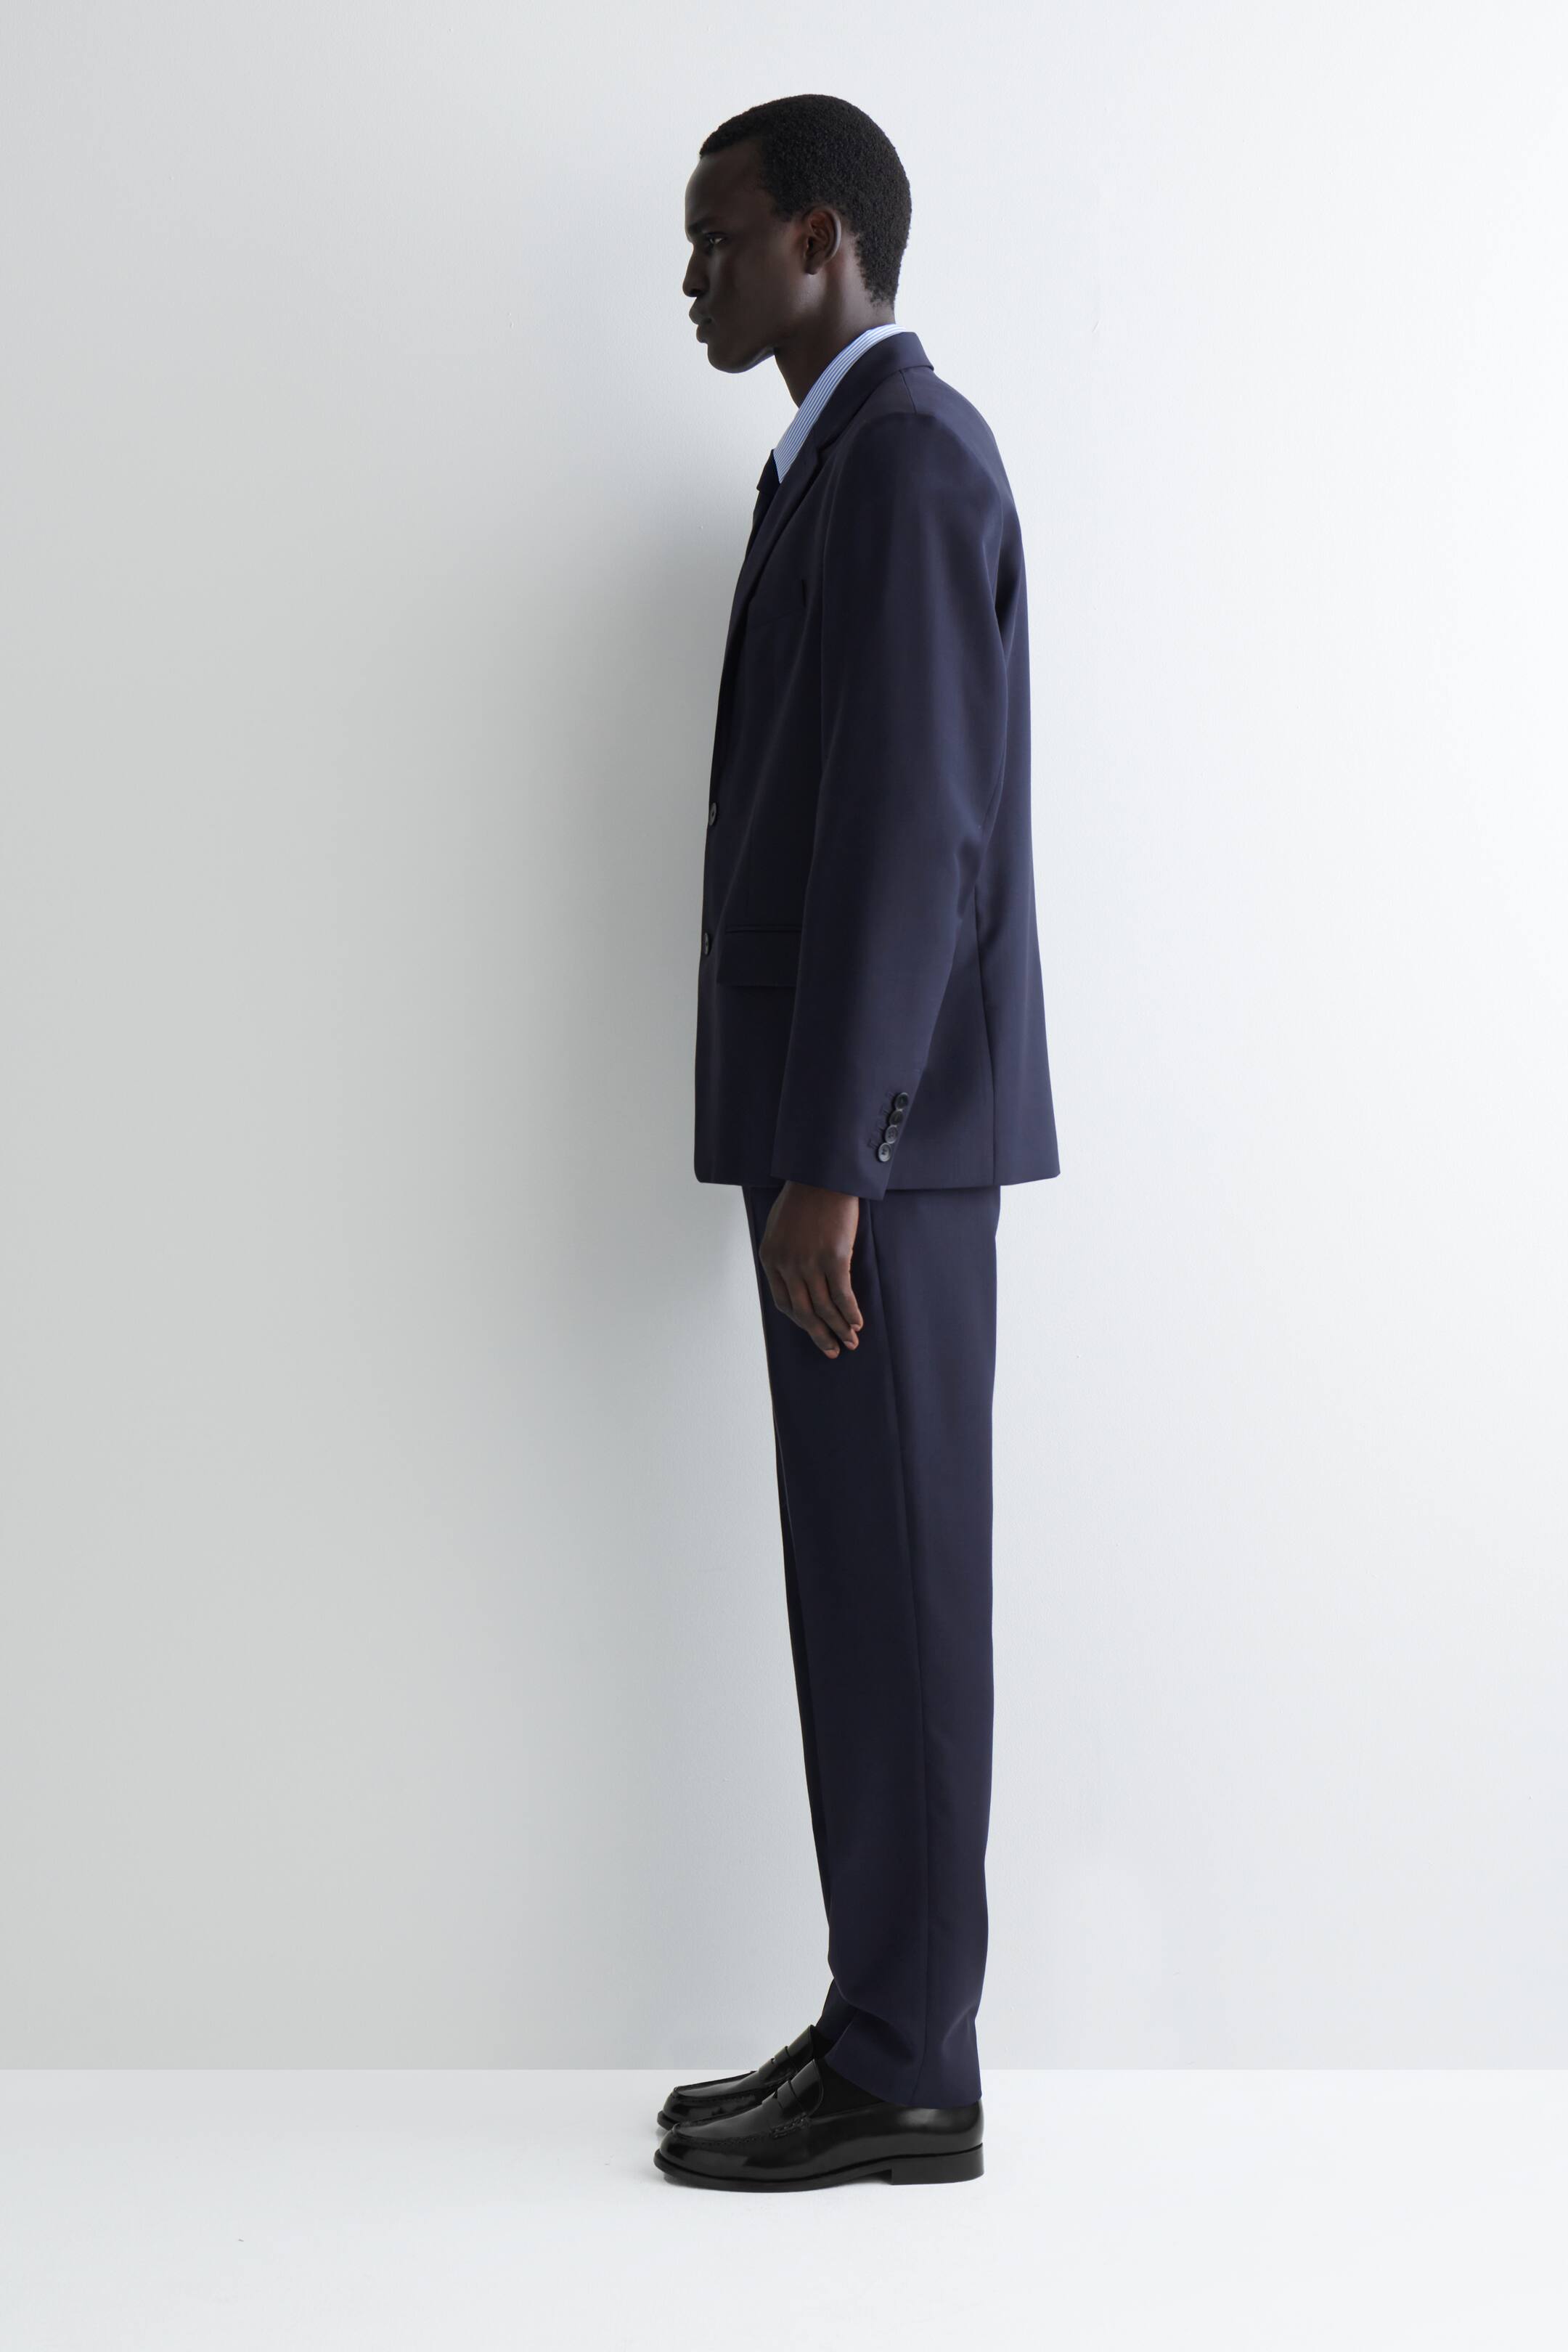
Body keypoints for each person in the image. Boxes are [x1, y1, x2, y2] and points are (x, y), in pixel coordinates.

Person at [656, 92, 1060, 2193]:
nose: (694, 277)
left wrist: (840, 1155)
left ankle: (912, 2065)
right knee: (858, 1583)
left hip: (876, 1163)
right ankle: (881, 2017)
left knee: (897, 1587)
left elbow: (918, 828)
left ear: (823, 239)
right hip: (849, 1147)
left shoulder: (904, 460)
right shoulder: (836, 460)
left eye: (719, 237)